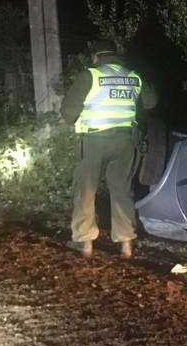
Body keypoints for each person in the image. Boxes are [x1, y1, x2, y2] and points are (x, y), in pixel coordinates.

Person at [60, 39, 157, 258]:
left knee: (86, 190)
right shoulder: (133, 76)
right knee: (122, 190)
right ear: (116, 55)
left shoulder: (91, 75)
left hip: (95, 140)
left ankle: (85, 243)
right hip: (125, 142)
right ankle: (126, 244)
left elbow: (68, 112)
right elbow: (151, 103)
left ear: (96, 56)